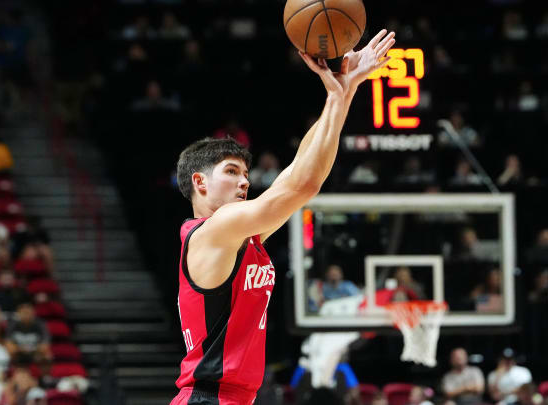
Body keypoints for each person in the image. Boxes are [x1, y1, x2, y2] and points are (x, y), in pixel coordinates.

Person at [169, 29, 396, 405]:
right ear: (200, 182)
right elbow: (301, 186)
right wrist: (338, 97)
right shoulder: (215, 230)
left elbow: (299, 176)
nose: (244, 181)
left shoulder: (242, 237)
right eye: (230, 171)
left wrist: (345, 90)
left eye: (245, 173)